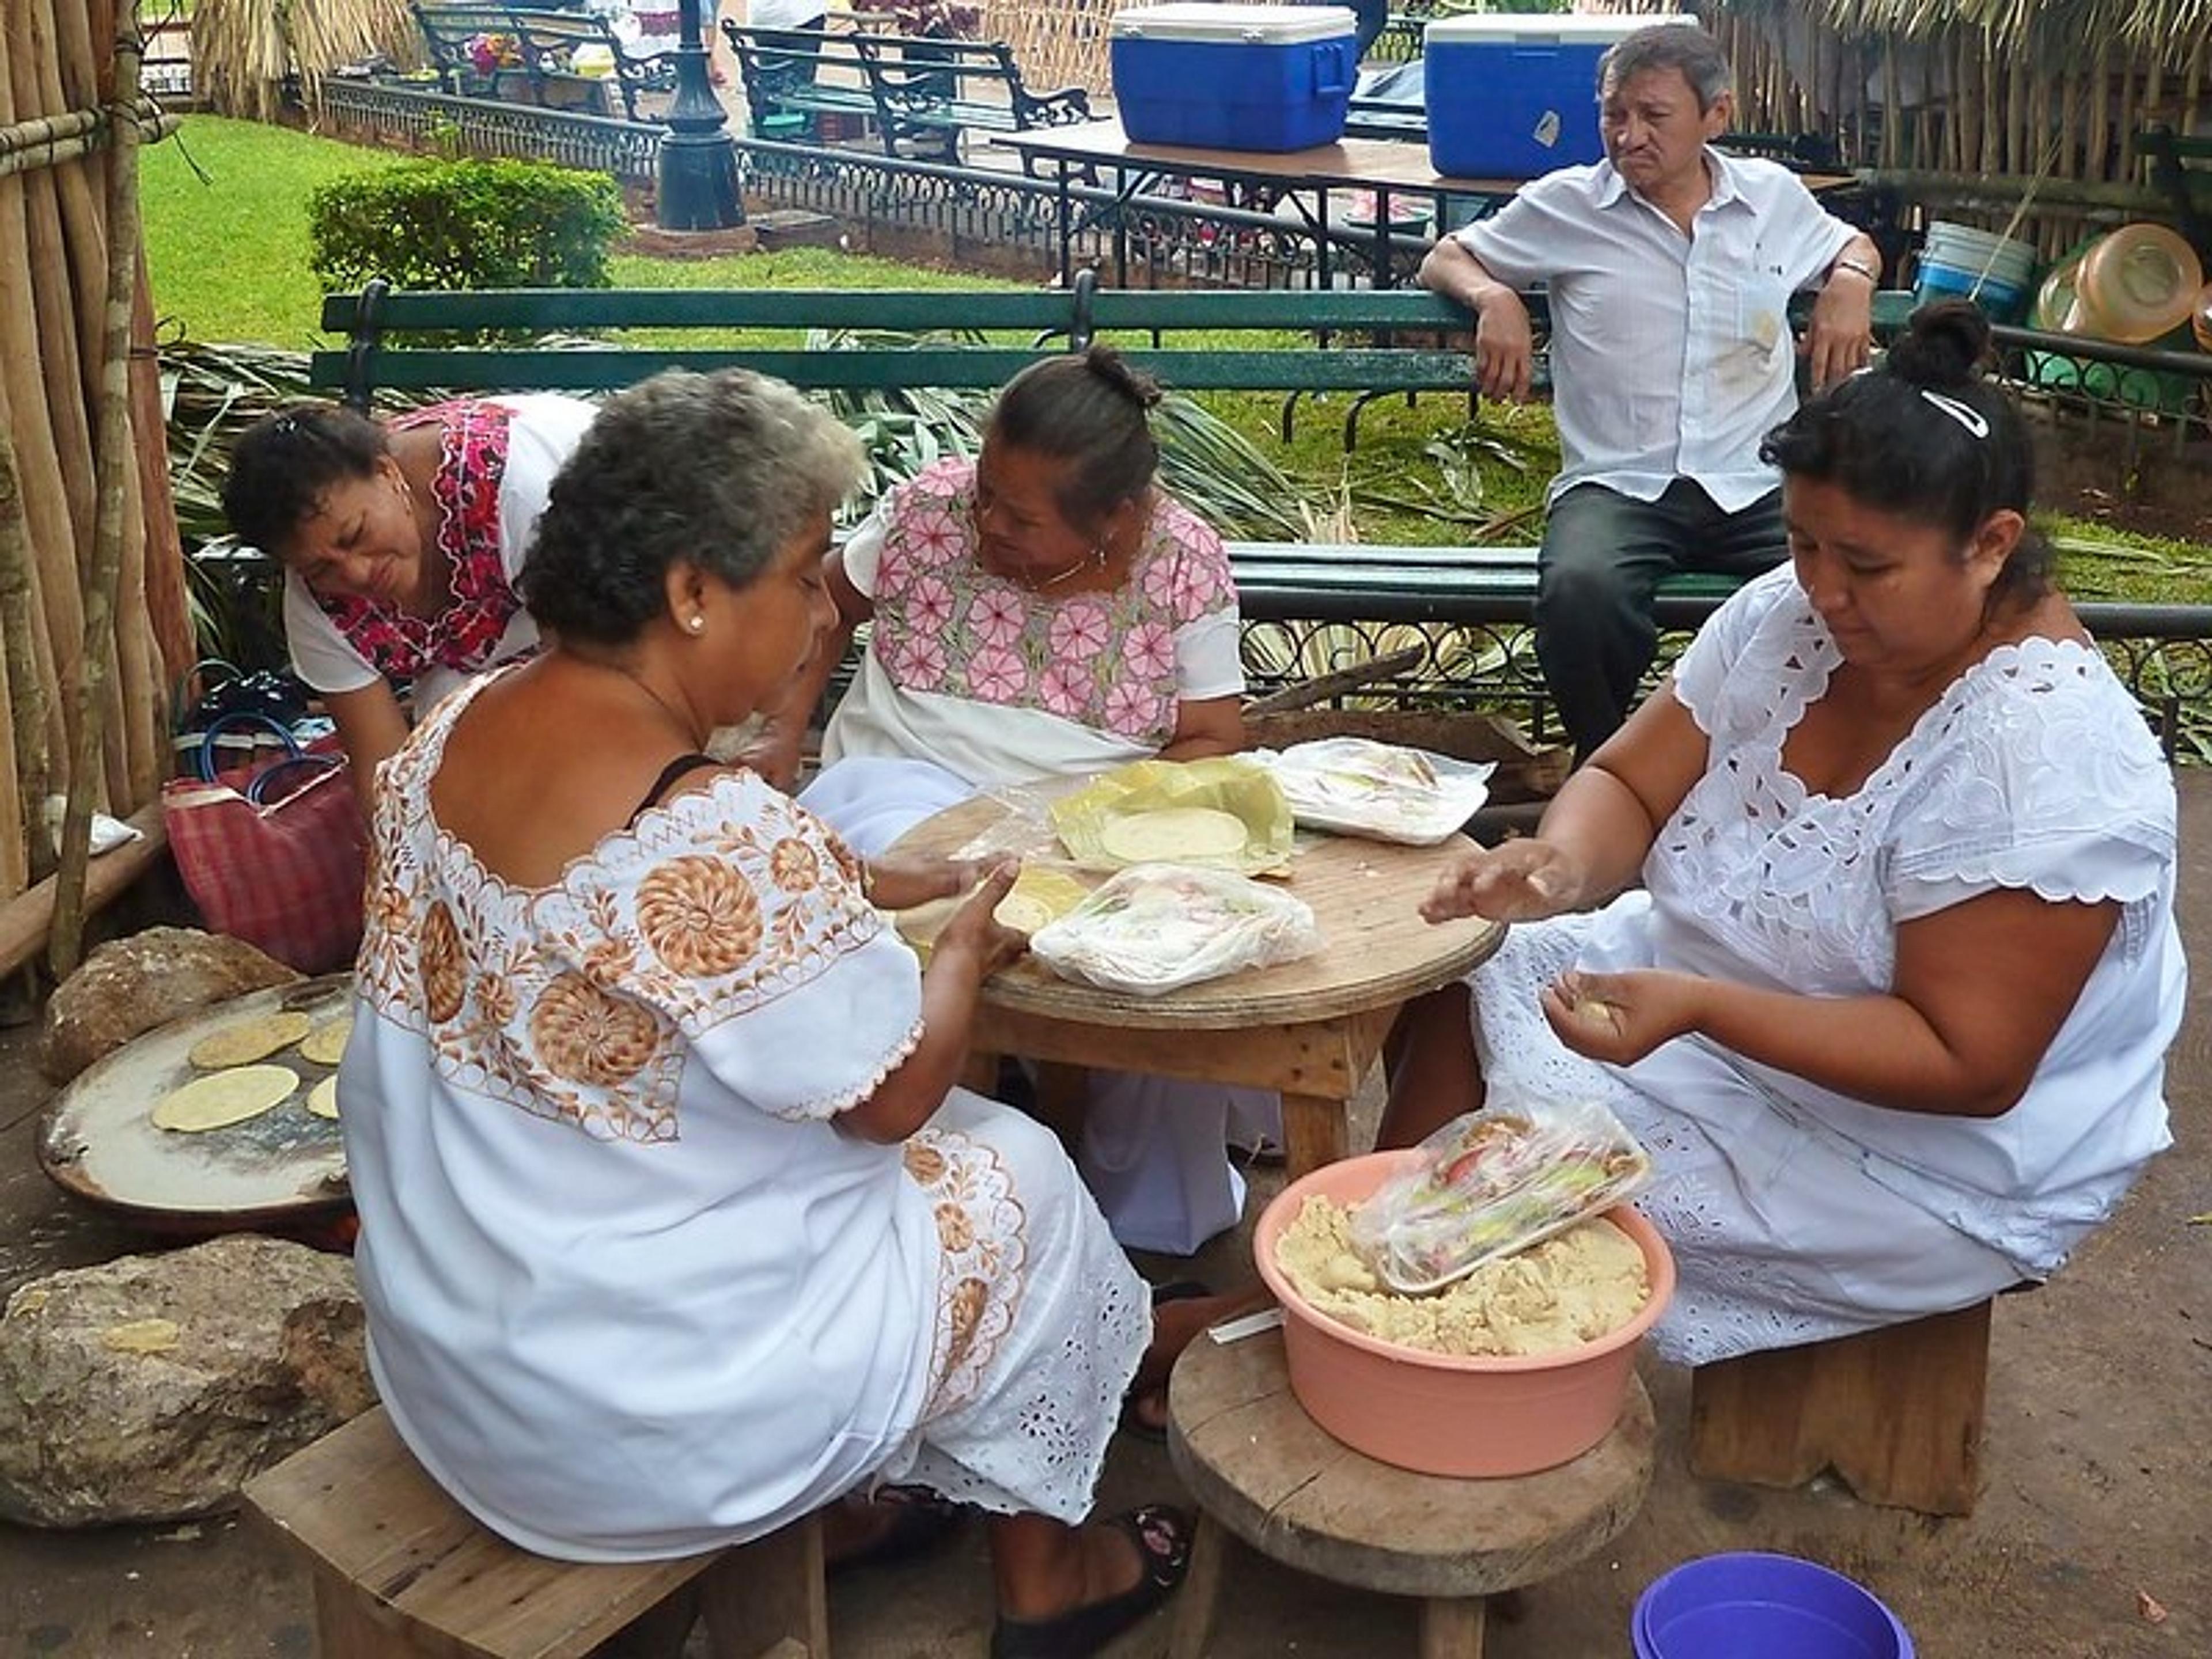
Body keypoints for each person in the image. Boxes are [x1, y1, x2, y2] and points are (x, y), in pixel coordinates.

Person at [339, 366, 1219, 1659]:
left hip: (455, 1370)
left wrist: (863, 880)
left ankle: (862, 1507)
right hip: (637, 1437)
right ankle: (1051, 1580)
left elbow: (635, 925)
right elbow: (894, 1098)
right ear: (692, 593)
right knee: (1021, 1174)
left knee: (809, 1147)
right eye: (805, 576)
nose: (824, 615)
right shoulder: (717, 834)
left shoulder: (458, 725)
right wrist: (961, 948)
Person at [1377, 302, 2184, 1368]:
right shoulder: (1787, 616)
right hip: (1696, 1004)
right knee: (1455, 973)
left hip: (1908, 1158)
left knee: (1524, 1181)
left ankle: (1392, 1319)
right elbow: (1630, 777)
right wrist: (1561, 864)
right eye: (1802, 543)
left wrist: (1705, 1007)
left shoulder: (2043, 754)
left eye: (1866, 565)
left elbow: (1968, 1062)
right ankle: (1374, 1273)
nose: (1821, 590)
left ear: (1992, 547)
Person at [767, 346, 1275, 1262]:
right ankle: (918, 1197)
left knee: (1176, 944)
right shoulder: (930, 508)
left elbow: (1210, 736)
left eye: (1020, 514)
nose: (986, 520)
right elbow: (824, 608)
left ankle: (1143, 1227)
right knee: (911, 900)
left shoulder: (1183, 562)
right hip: (902, 780)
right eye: (986, 491)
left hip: (1091, 812)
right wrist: (781, 734)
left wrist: (1101, 824)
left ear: (1115, 520)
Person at [1418, 21, 1883, 760]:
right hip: (1620, 483)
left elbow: (1849, 245)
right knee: (1581, 592)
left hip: (1756, 481)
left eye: (1654, 116)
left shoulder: (1770, 200)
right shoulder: (1566, 207)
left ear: (1716, 117)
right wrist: (1494, 298)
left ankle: (1790, 772)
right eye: (1613, 114)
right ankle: (1612, 771)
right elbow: (1448, 255)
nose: (1628, 136)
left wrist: (1852, 281)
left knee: (1850, 588)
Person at [221, 394, 597, 793]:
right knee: (448, 755)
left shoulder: (519, 494)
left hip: (620, 580)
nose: (357, 572)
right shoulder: (318, 606)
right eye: (321, 568)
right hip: (503, 652)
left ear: (387, 474)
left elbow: (582, 692)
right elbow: (382, 778)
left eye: (355, 535)